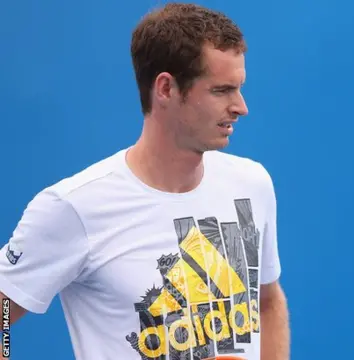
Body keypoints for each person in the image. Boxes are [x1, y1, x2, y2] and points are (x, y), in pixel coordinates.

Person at [0, 3, 290, 360]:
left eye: (239, 88)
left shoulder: (252, 183)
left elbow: (268, 299)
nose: (240, 106)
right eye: (221, 90)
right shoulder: (74, 206)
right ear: (166, 89)